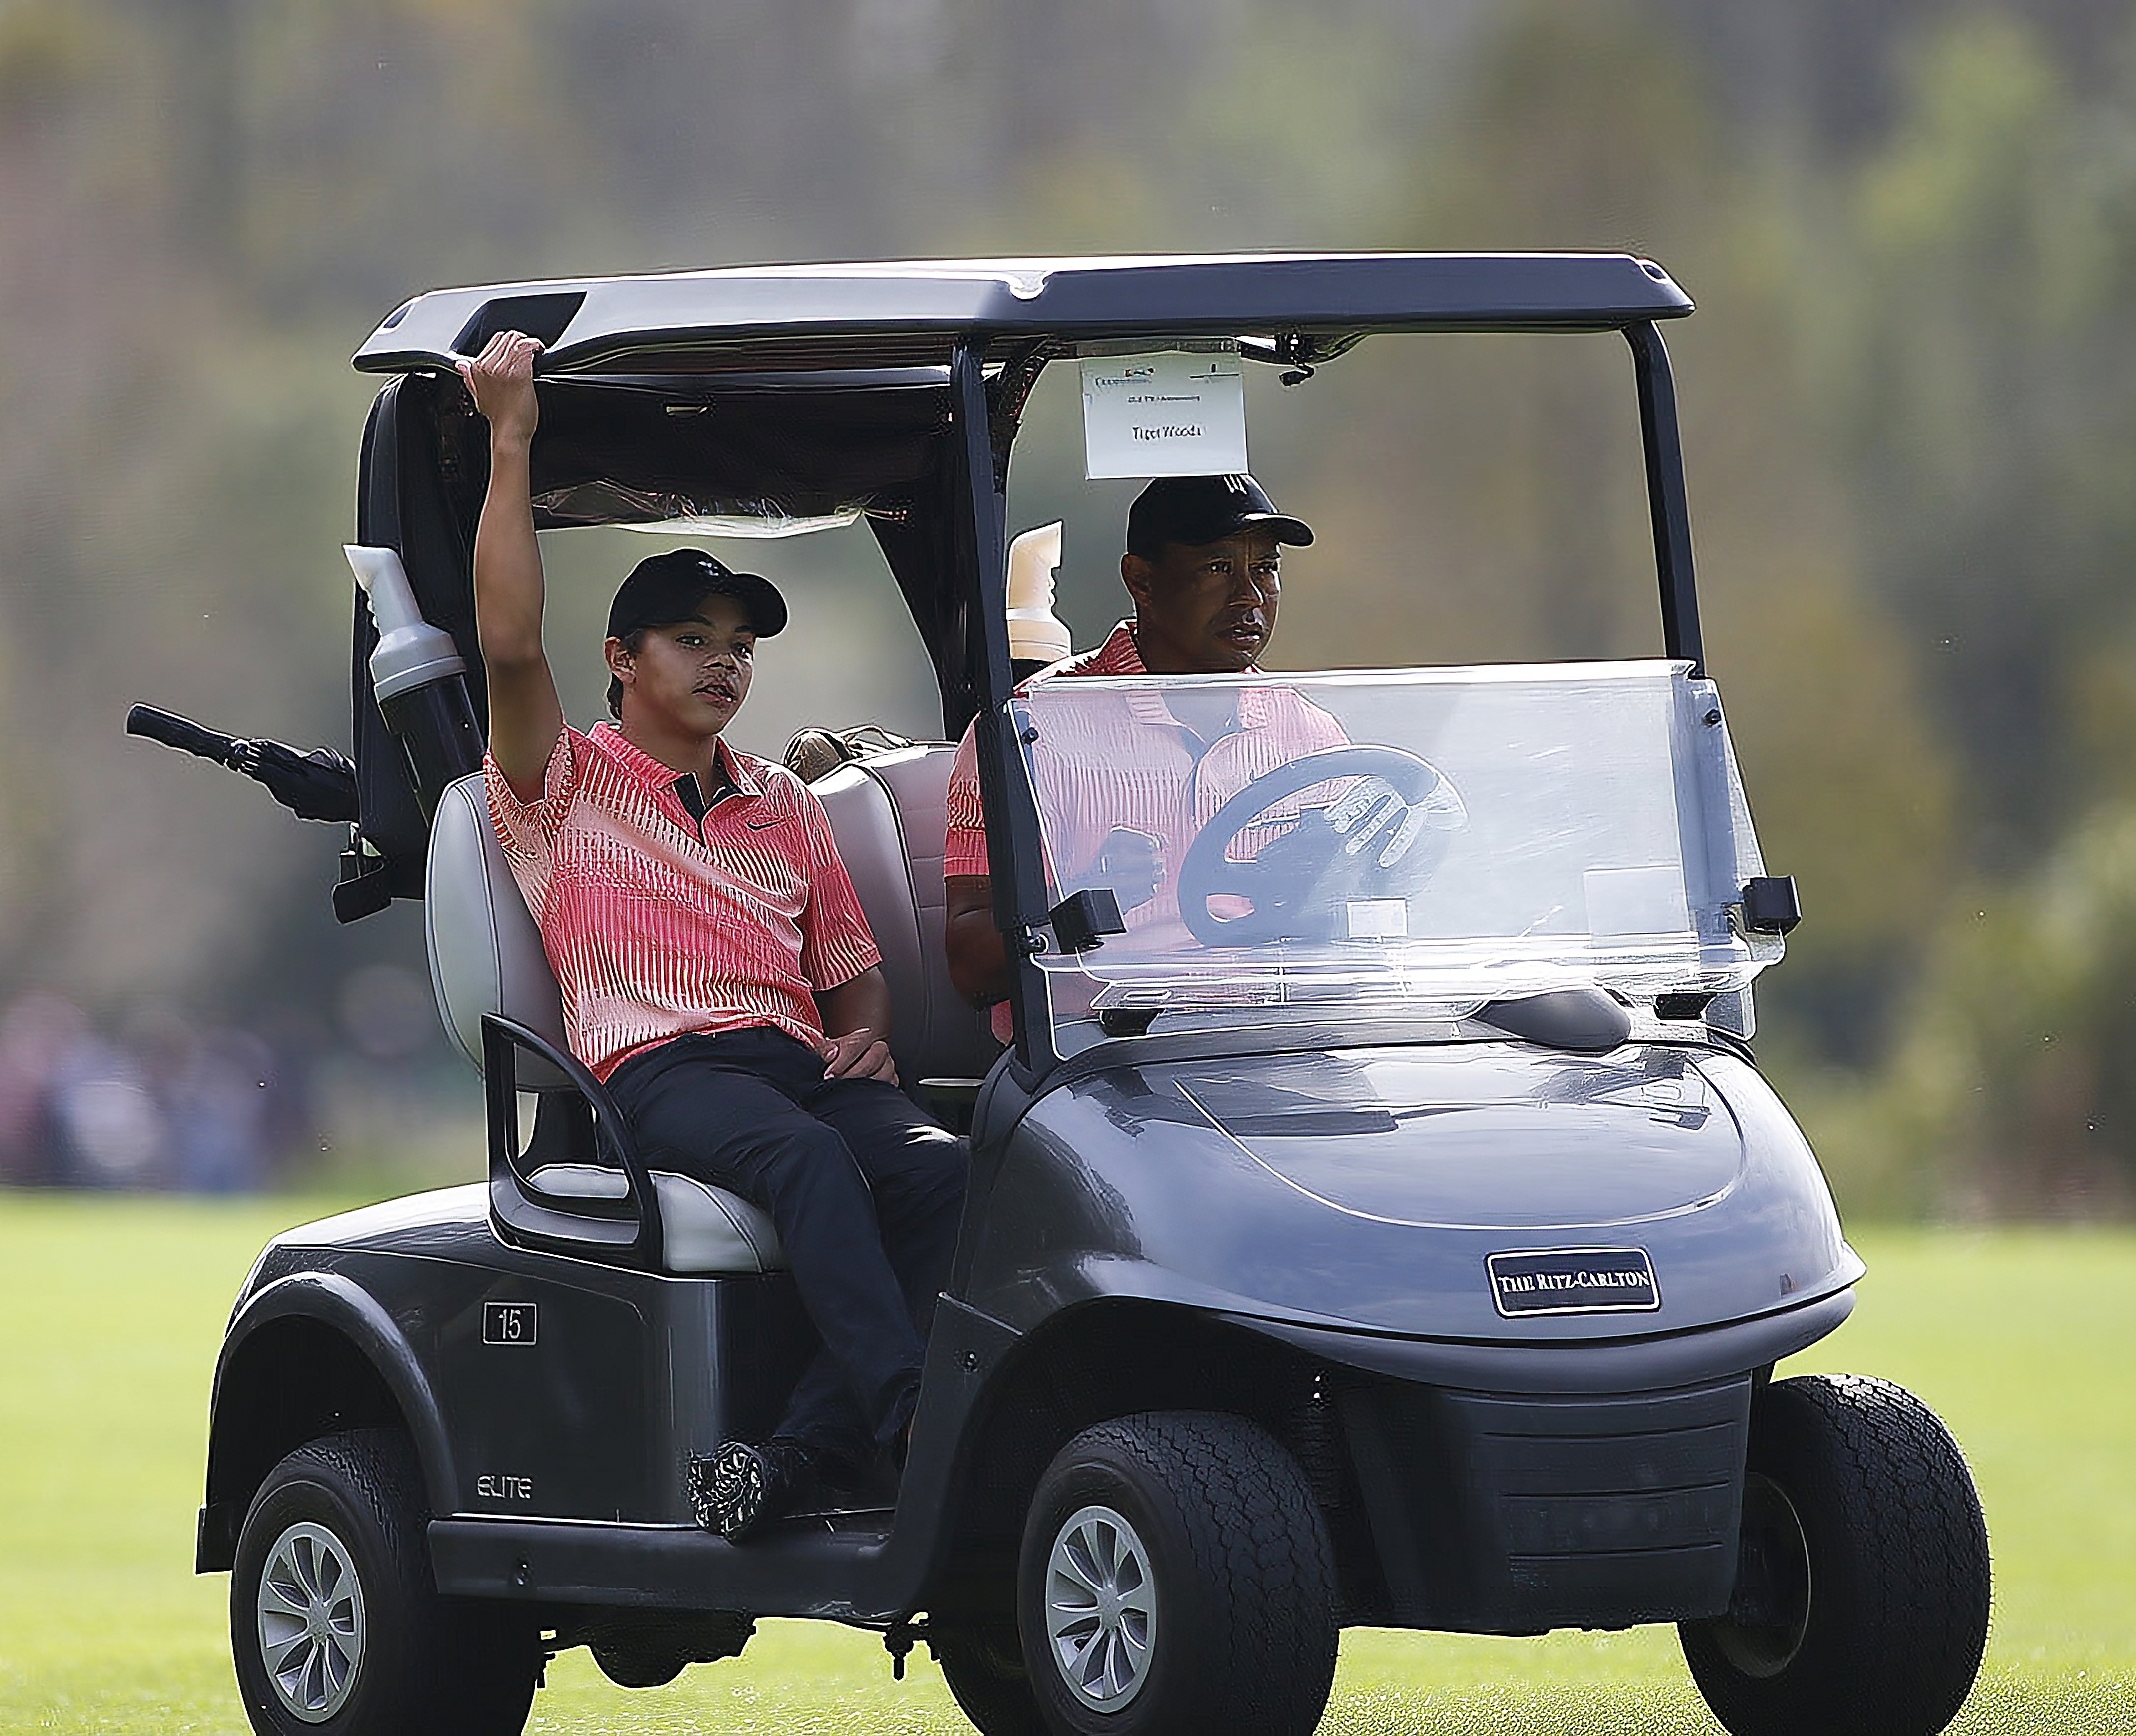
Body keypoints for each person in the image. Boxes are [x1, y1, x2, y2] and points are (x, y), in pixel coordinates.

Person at [460, 330, 965, 1542]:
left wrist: (864, 1039)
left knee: (946, 1170)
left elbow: (849, 972)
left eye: (739, 643)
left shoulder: (783, 803)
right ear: (621, 660)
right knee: (809, 1166)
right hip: (657, 1070)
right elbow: (509, 643)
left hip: (791, 1069)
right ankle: (914, 1426)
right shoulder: (560, 782)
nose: (725, 661)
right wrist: (510, 438)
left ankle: (793, 1454)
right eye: (694, 639)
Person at [943, 473, 1462, 1027]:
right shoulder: (1030, 729)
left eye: (1265, 568)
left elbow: (1350, 927)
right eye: (1217, 568)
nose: (1250, 596)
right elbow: (971, 968)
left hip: (1284, 1032)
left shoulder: (1310, 733)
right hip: (1101, 1046)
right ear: (1140, 580)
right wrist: (1088, 905)